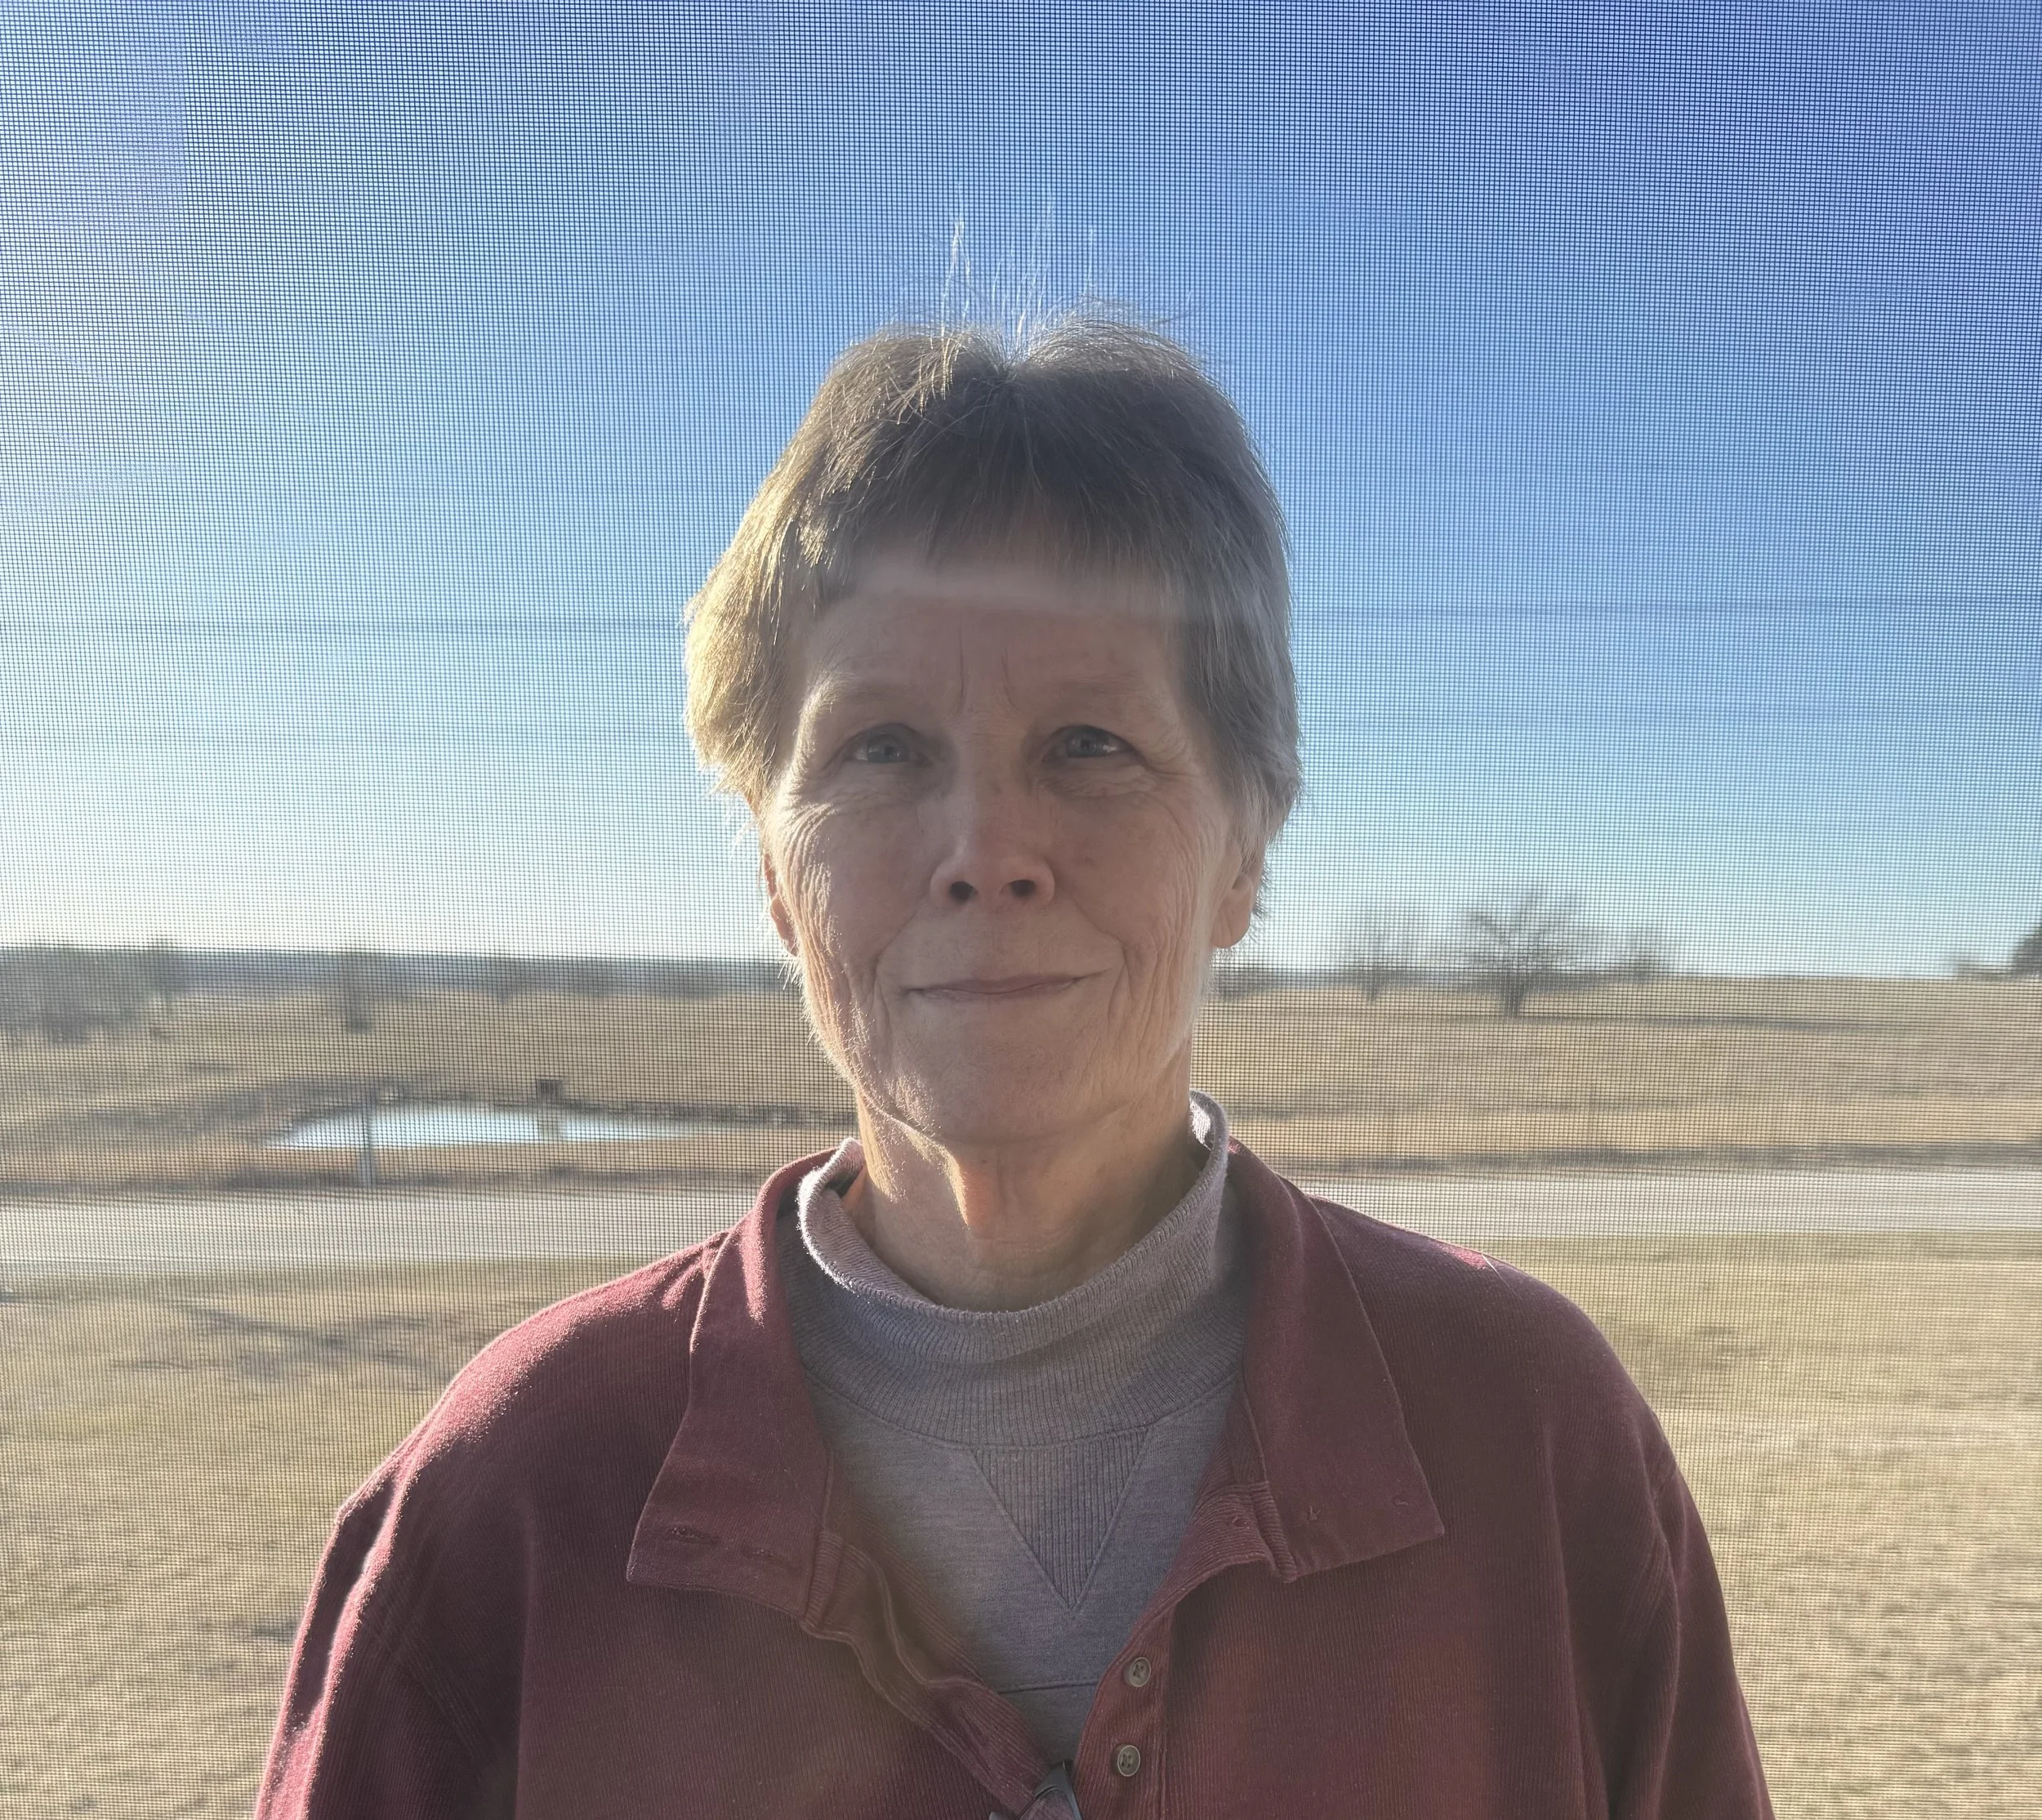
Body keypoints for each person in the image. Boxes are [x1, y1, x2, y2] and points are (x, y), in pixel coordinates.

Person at [258, 316, 1773, 1818]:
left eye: (1091, 743)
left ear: (1246, 849)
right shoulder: (511, 1501)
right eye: (882, 749)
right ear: (777, 880)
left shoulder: (1524, 1438)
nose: (987, 853)